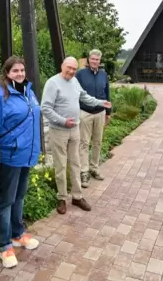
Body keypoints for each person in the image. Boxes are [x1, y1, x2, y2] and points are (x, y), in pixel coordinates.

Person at [40, 57, 112, 214]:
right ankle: (62, 198)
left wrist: (101, 103)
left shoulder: (74, 81)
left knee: (76, 163)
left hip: (75, 129)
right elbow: (45, 108)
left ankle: (77, 196)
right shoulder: (52, 83)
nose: (72, 71)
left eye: (74, 68)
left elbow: (84, 97)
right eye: (69, 68)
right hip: (59, 130)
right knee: (61, 165)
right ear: (62, 66)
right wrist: (63, 121)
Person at [0, 56, 42, 269]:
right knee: (5, 200)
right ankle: (4, 245)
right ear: (7, 73)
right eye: (15, 71)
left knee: (19, 196)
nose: (19, 74)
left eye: (22, 70)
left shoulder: (28, 91)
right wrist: (10, 144)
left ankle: (17, 233)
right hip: (10, 155)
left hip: (27, 155)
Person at [75, 49, 111, 188]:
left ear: (99, 61)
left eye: (97, 59)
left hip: (100, 113)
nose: (95, 61)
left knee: (97, 142)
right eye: (93, 59)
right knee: (84, 143)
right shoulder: (80, 74)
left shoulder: (103, 75)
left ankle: (94, 168)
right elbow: (76, 93)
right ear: (88, 60)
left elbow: (107, 93)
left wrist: (108, 112)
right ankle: (84, 172)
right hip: (85, 112)